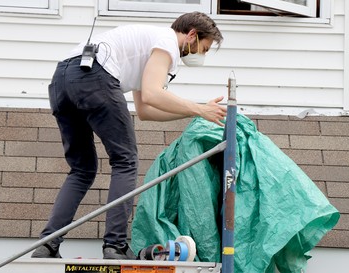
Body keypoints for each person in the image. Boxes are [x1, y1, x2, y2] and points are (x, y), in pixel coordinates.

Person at [31, 11, 226, 260]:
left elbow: (145, 109)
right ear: (191, 35)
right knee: (126, 161)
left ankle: (47, 245)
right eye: (204, 48)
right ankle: (115, 245)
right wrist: (199, 108)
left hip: (62, 80)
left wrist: (196, 114)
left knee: (82, 170)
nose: (201, 54)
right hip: (95, 76)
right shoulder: (166, 42)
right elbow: (154, 94)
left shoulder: (144, 46)